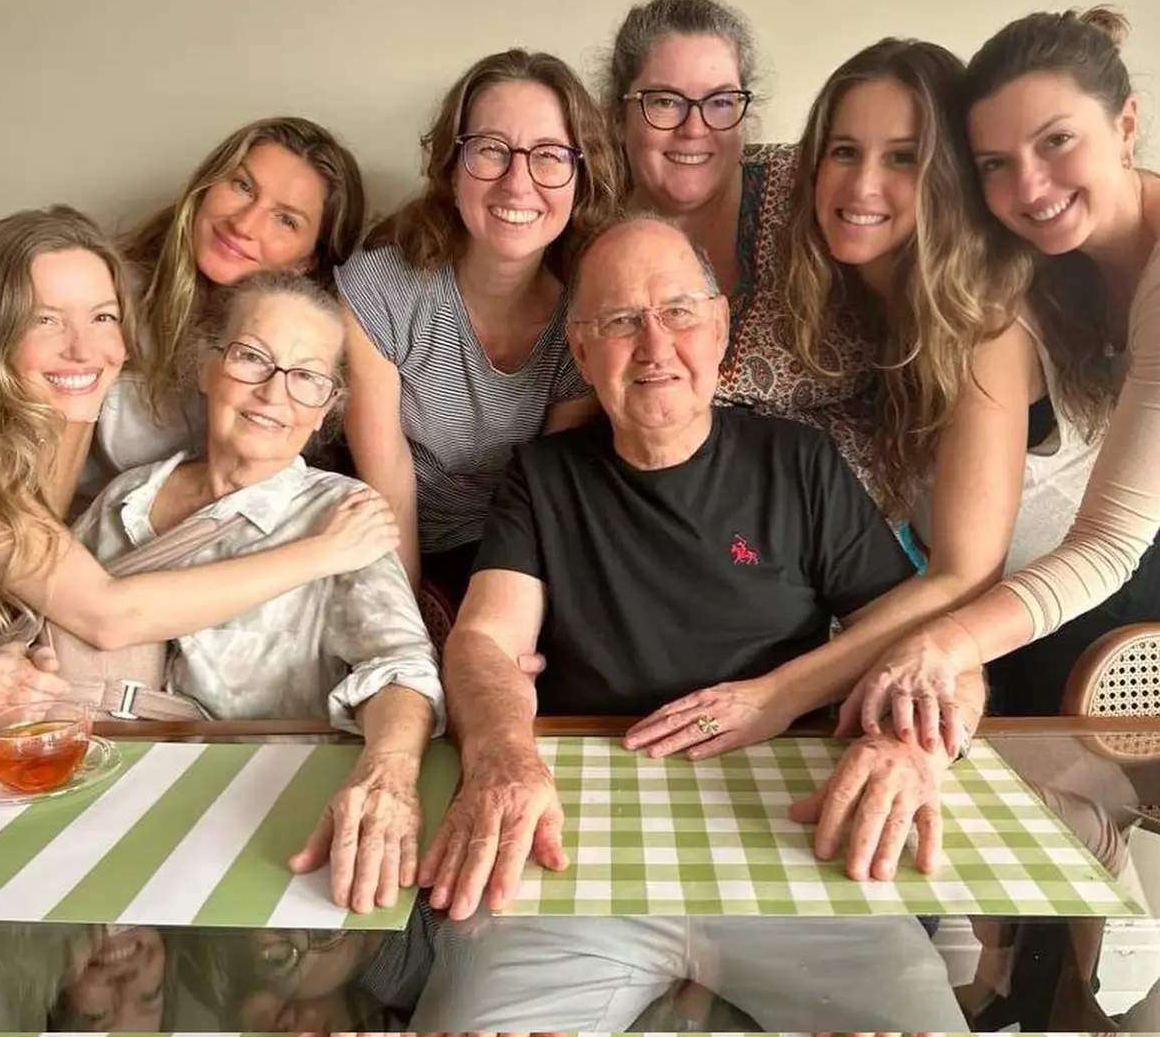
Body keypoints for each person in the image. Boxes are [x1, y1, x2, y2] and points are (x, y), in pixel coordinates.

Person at [411, 215, 982, 1033]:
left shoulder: (799, 462)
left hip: (795, 845)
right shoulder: (542, 477)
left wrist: (911, 746)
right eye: (619, 321)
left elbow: (933, 645)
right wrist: (502, 753)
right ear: (581, 352)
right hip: (578, 849)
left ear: (716, 329)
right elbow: (484, 642)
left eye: (677, 312)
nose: (653, 346)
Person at [0, 270, 442, 911]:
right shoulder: (123, 498)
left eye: (307, 377)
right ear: (205, 365)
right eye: (252, 357)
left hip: (255, 821)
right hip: (92, 812)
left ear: (327, 407)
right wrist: (2, 676)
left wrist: (389, 773)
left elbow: (400, 668)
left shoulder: (342, 514)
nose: (275, 392)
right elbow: (27, 630)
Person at [769, 38, 1113, 723]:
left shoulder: (988, 322)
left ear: (947, 177)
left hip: (1087, 645)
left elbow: (962, 573)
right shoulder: (875, 302)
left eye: (902, 157)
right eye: (844, 151)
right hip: (978, 633)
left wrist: (774, 694)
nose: (861, 185)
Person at [850, 8, 1160, 745]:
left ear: (1124, 124)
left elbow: (1109, 543)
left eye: (1056, 141)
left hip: (1120, 581)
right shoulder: (1059, 259)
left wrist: (942, 642)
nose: (1029, 185)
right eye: (995, 162)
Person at [0, 208, 400, 690]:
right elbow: (104, 615)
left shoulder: (68, 413)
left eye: (103, 316)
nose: (83, 349)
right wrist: (321, 553)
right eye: (45, 319)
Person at [337, 47, 620, 597]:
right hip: (391, 541)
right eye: (491, 150)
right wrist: (411, 625)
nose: (518, 183)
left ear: (580, 178)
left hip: (514, 548)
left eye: (548, 155)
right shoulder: (381, 290)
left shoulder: (587, 314)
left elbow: (545, 500)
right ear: (451, 168)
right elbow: (387, 489)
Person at [606, 0, 882, 484]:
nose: (695, 128)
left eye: (720, 102)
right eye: (664, 102)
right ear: (618, 113)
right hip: (671, 513)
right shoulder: (586, 232)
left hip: (851, 511)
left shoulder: (815, 191)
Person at [87, 113, 365, 499]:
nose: (244, 224)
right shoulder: (103, 295)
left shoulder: (317, 358)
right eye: (243, 186)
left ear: (308, 261)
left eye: (285, 220)